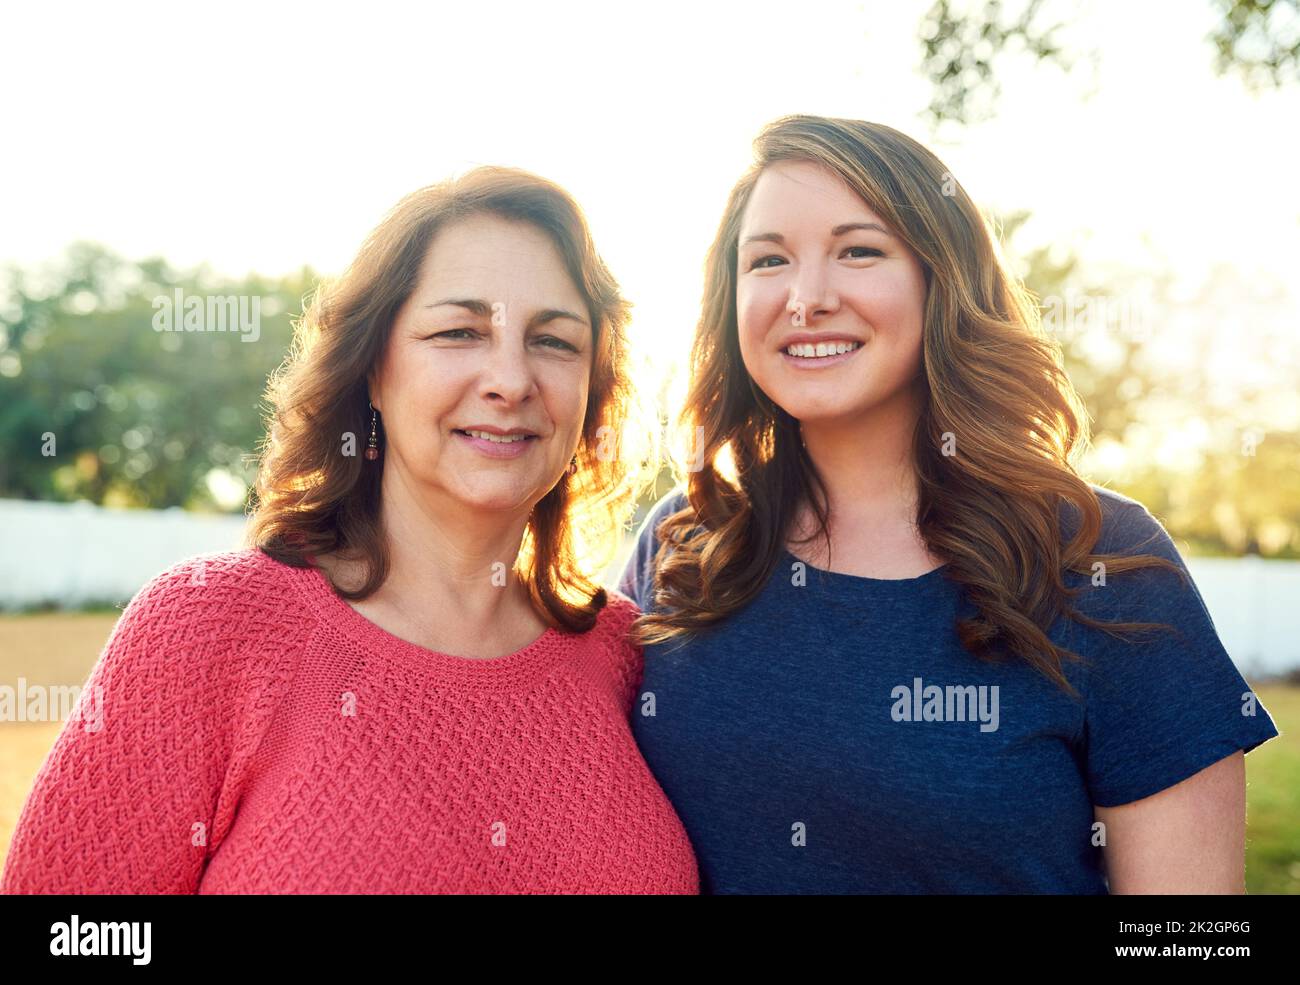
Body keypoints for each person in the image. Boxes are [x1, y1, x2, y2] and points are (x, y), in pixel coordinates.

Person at [618, 114, 1279, 894]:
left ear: (942, 280)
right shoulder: (687, 541)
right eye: (768, 260)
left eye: (858, 249)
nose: (806, 297)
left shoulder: (1100, 559)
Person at [2, 167, 697, 894]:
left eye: (554, 341)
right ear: (373, 367)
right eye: (459, 331)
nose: (510, 379)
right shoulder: (208, 628)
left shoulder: (624, 654)